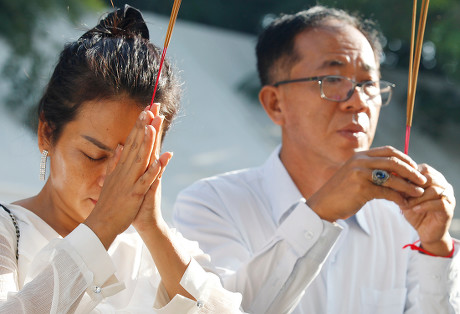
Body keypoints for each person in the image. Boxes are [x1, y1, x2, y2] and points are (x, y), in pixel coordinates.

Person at [173, 6, 459, 314]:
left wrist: (436, 246)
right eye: (333, 79)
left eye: (368, 83)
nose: (358, 101)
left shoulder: (407, 220)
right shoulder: (211, 205)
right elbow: (225, 309)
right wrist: (319, 214)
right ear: (275, 104)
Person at [0, 5, 243, 313]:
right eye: (94, 155)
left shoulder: (155, 251)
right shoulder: (9, 232)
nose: (110, 180)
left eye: (131, 160)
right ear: (47, 132)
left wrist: (153, 230)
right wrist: (100, 229)